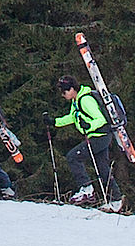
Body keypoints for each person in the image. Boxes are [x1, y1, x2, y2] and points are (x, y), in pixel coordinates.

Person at [45, 75, 123, 212]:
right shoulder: (76, 101)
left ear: (72, 89)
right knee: (102, 168)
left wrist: (88, 125)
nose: (63, 95)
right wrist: (54, 122)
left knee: (73, 157)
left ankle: (87, 189)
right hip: (98, 136)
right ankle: (116, 200)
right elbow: (72, 117)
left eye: (64, 91)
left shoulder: (85, 100)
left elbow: (100, 119)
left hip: (99, 136)